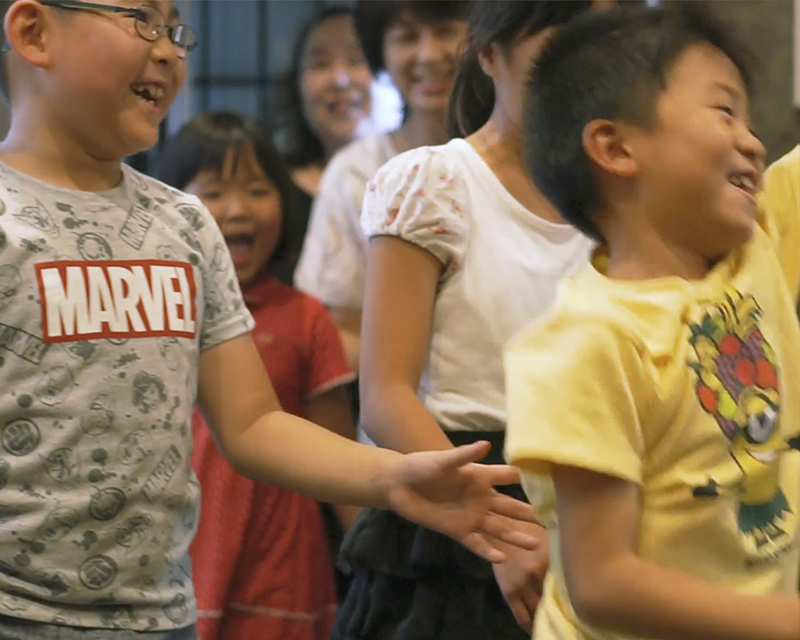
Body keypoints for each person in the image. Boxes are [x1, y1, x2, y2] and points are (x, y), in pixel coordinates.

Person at [0, 1, 543, 638]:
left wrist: (393, 478)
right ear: (33, 33)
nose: (169, 49)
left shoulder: (183, 225)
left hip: (160, 617)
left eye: (175, 29)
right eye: (141, 20)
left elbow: (254, 423)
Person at [504, 6, 800, 640]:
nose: (753, 140)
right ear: (616, 147)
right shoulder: (587, 343)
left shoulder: (755, 249)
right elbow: (604, 584)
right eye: (724, 111)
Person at [332, 3, 613, 639]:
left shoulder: (623, 190)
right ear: (489, 54)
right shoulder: (434, 181)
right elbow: (384, 396)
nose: (585, 72)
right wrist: (501, 531)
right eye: (556, 50)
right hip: (464, 493)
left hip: (598, 497)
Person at [158, 110, 360, 640]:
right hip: (173, 561)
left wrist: (375, 565)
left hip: (283, 568)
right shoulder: (156, 307)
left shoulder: (307, 317)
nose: (237, 210)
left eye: (256, 189)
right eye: (215, 192)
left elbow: (339, 457)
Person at [294, 0, 472, 373]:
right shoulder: (356, 172)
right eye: (406, 37)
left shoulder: (520, 157)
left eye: (445, 31)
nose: (427, 55)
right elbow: (340, 326)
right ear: (381, 53)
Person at [273, 4, 374, 285]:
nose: (340, 80)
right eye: (319, 64)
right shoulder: (272, 188)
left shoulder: (418, 179)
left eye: (358, 59)